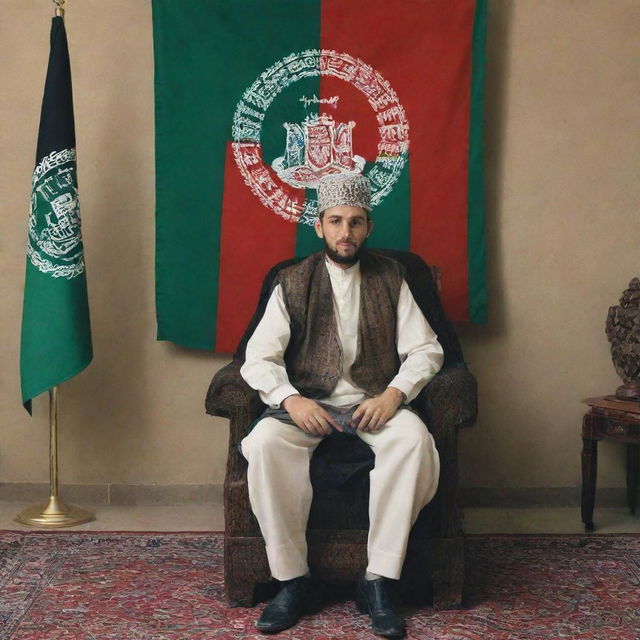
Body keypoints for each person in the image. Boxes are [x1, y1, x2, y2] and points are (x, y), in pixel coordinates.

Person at [240, 173, 444, 637]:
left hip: (373, 404)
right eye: (336, 222)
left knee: (413, 440)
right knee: (267, 442)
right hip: (308, 405)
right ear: (319, 225)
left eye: (355, 223)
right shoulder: (292, 281)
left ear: (368, 227)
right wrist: (290, 400)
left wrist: (395, 394)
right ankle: (292, 581)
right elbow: (258, 359)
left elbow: (427, 349)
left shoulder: (392, 277)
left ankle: (378, 581)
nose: (345, 232)